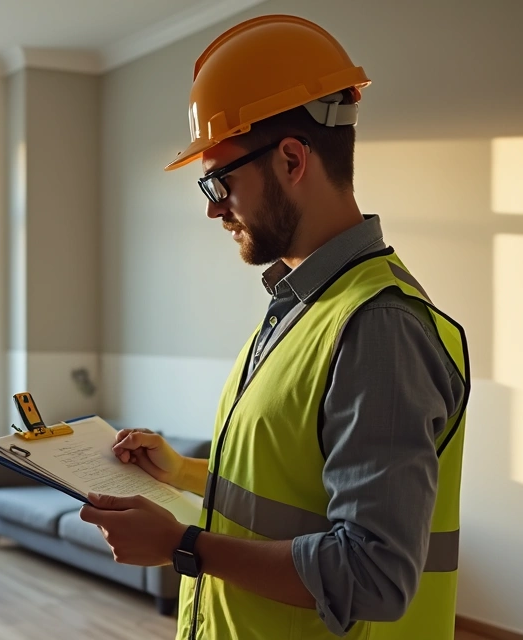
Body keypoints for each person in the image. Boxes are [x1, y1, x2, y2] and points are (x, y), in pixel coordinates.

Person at [78, 14, 470, 640]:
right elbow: (297, 491)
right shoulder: (302, 307)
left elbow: (372, 572)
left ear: (291, 159)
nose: (211, 207)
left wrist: (184, 546)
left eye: (219, 179)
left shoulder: (378, 328)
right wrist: (179, 472)